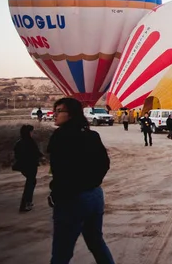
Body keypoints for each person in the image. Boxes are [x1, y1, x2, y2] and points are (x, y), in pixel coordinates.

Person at [47, 97, 114, 264]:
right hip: (94, 196)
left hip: (71, 199)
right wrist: (92, 182)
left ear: (71, 114)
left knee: (61, 252)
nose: (54, 115)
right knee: (96, 243)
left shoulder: (60, 137)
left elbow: (60, 171)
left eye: (59, 111)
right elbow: (104, 164)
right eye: (55, 111)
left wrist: (59, 192)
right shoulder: (92, 135)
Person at [13, 124, 43, 212]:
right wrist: (42, 156)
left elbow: (16, 154)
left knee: (31, 182)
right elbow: (36, 152)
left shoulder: (19, 142)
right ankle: (25, 204)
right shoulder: (30, 142)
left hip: (23, 166)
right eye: (31, 131)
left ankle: (28, 202)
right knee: (30, 184)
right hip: (31, 165)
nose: (32, 133)